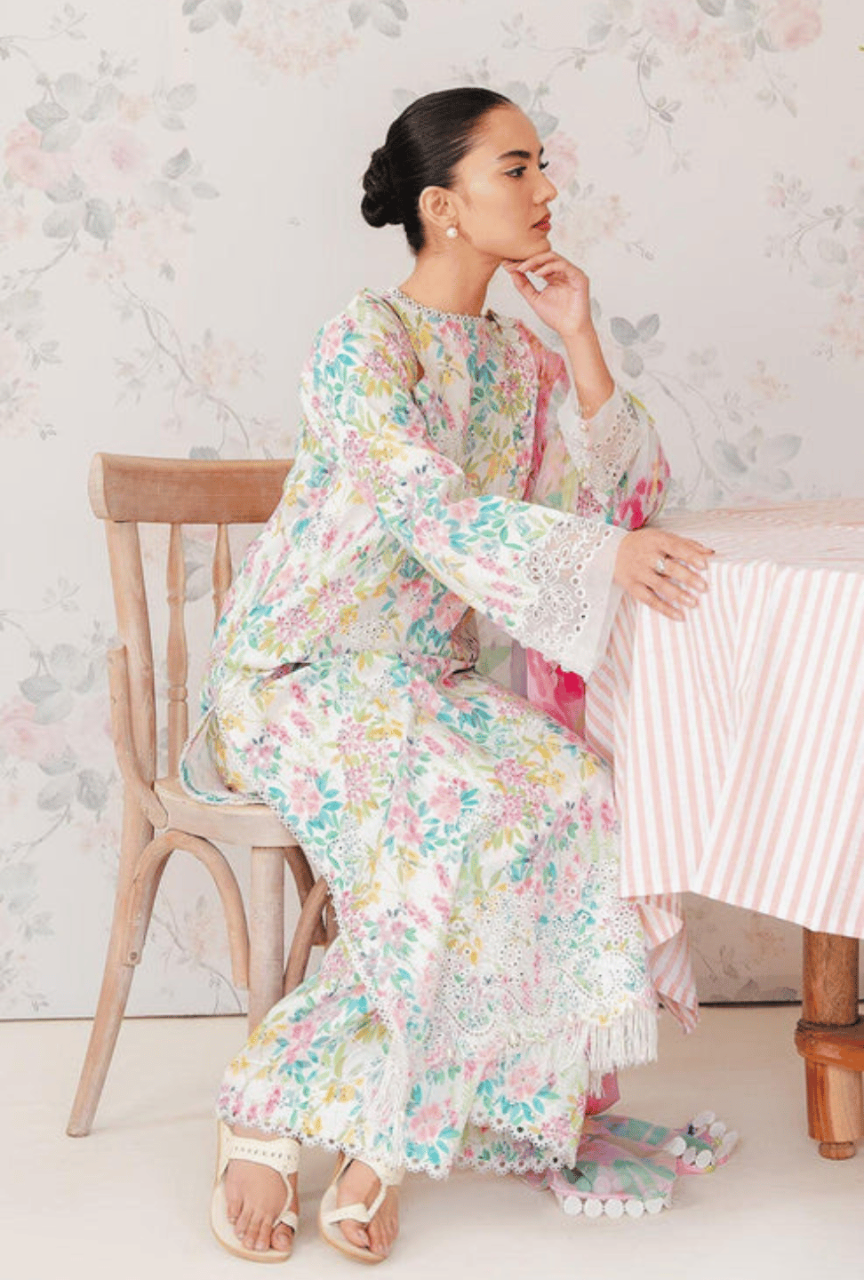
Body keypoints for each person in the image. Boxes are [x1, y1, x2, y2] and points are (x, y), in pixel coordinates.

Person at [180, 86, 713, 1264]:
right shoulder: (363, 341)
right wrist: (600, 555)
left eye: (541, 165)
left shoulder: (522, 362)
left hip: (427, 684)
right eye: (516, 168)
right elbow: (430, 508)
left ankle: (392, 1117)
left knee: (577, 795)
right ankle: (287, 1106)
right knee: (464, 815)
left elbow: (620, 504)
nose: (547, 188)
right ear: (444, 204)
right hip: (302, 673)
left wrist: (579, 339)